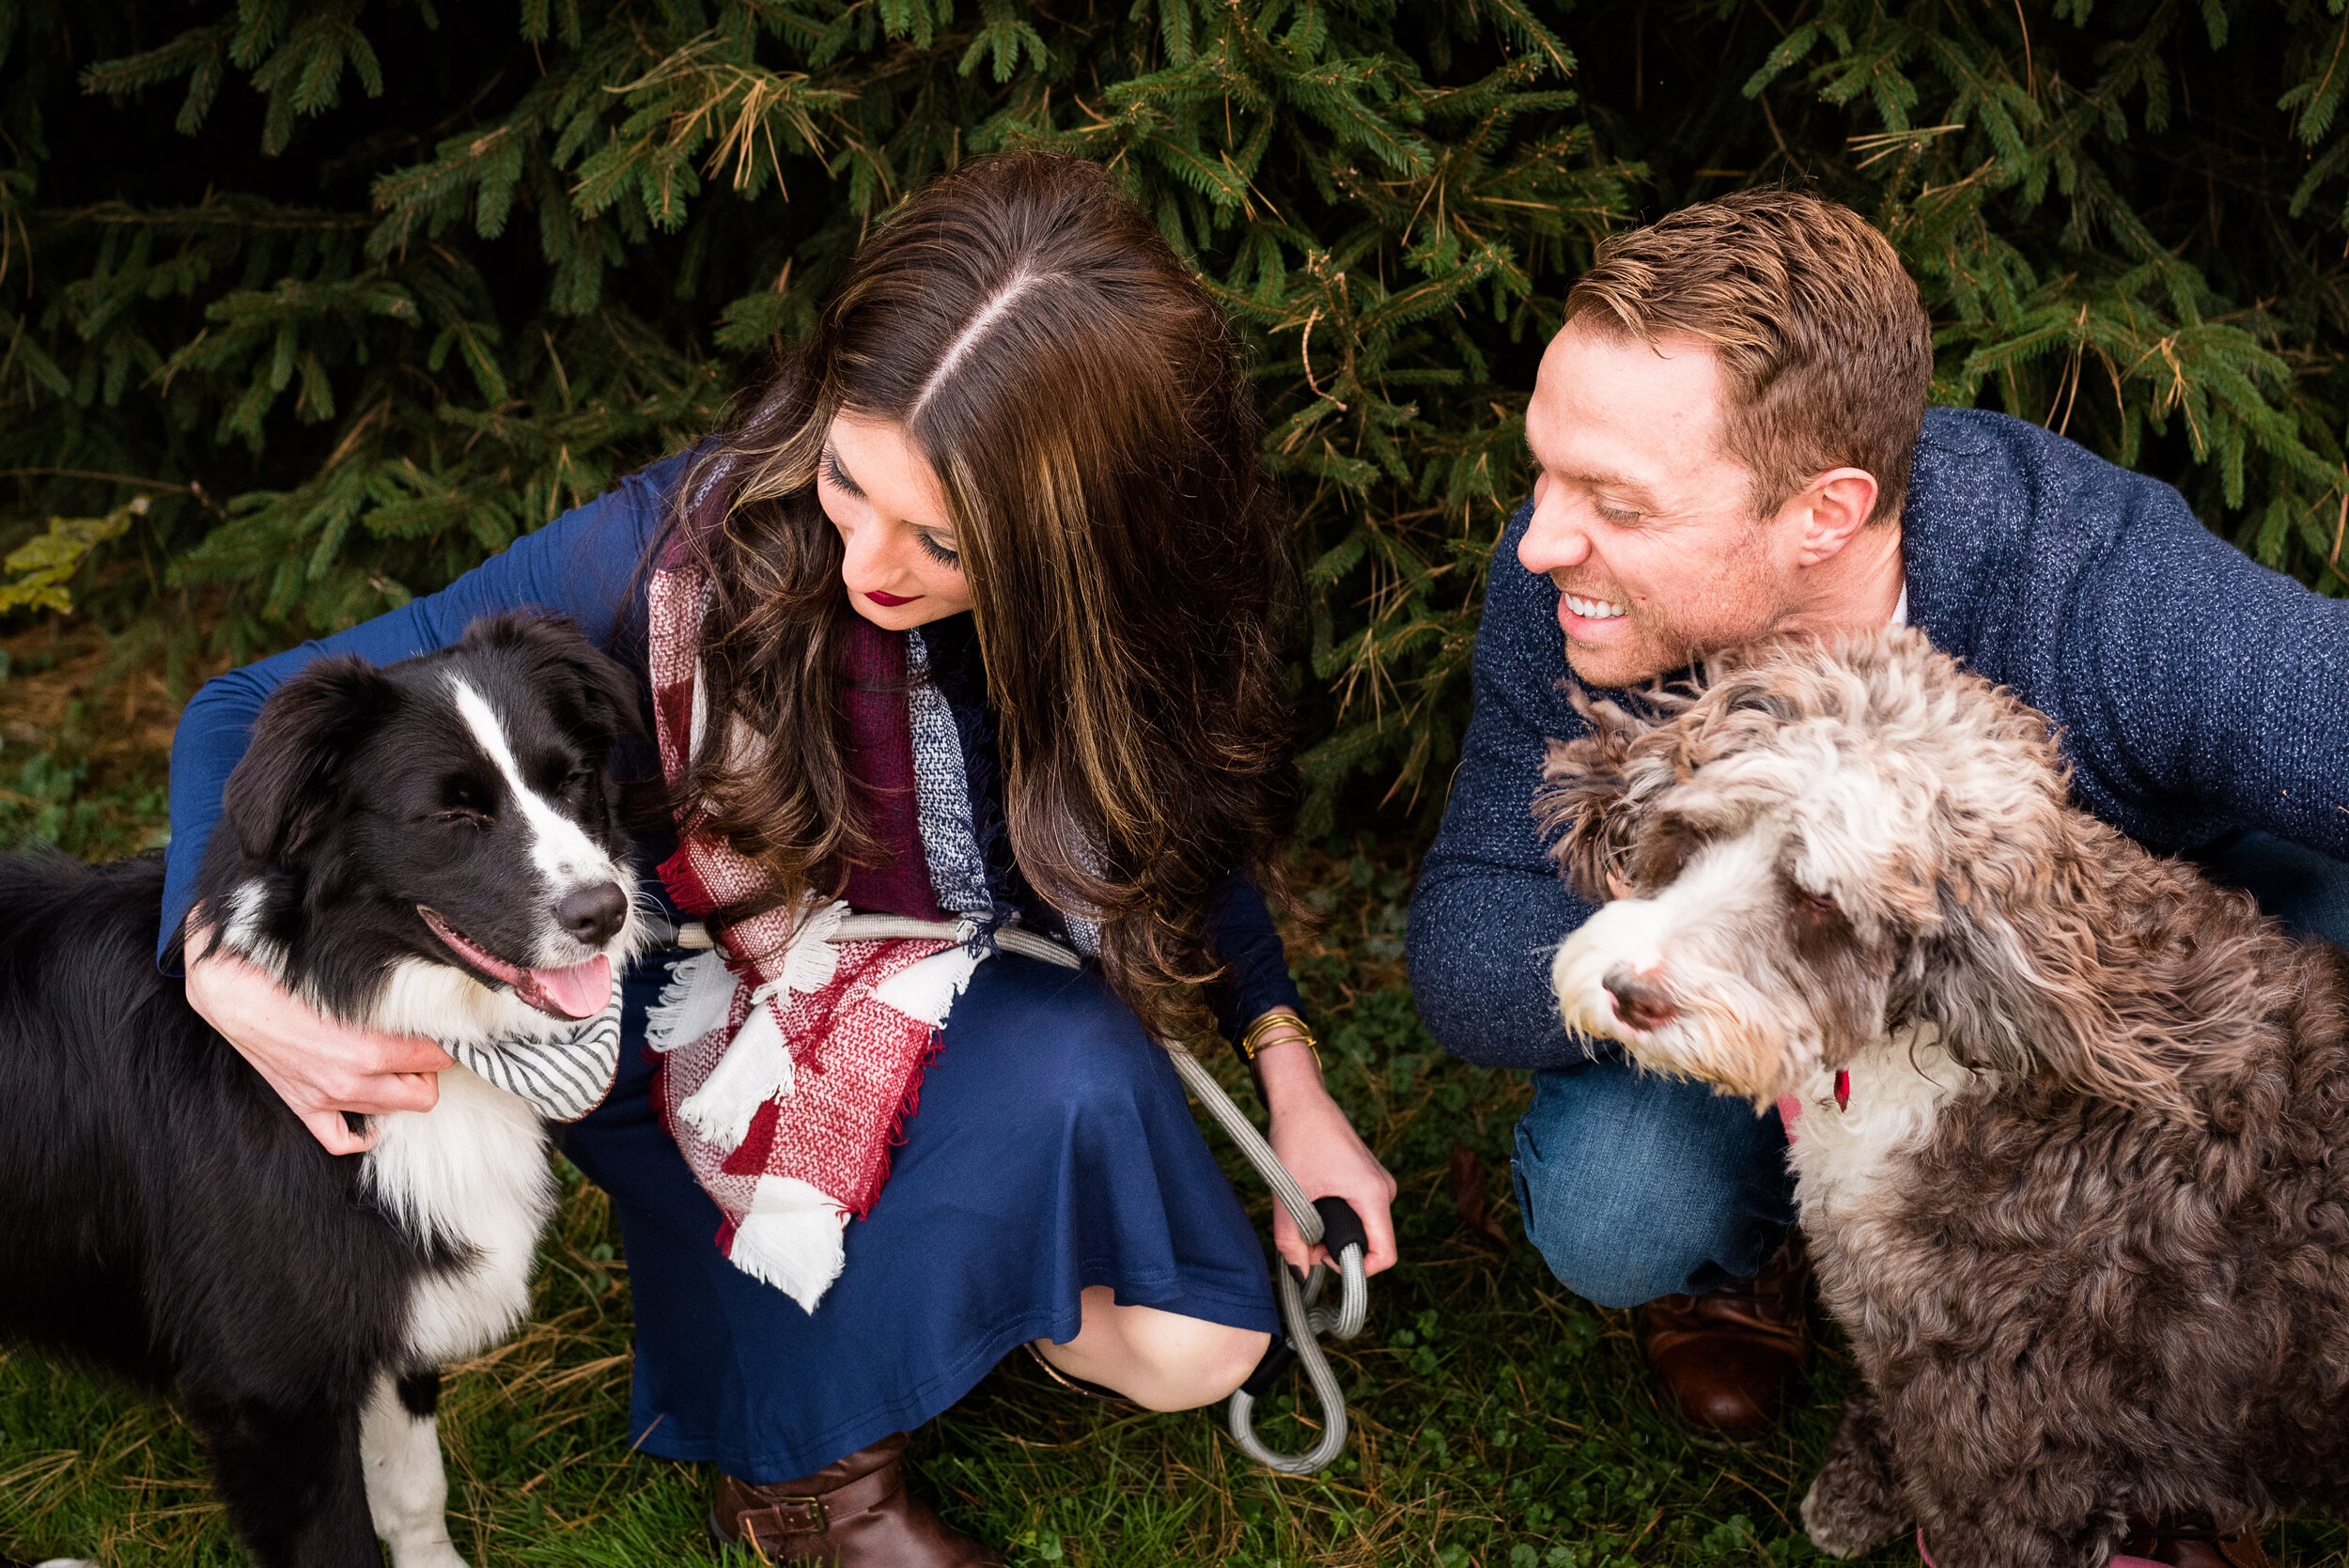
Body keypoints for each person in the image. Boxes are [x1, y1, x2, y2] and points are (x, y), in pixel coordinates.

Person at [163, 152, 1399, 1567]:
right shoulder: (670, 547)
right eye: (848, 480)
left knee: (1201, 1344)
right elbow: (233, 712)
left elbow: (1182, 837)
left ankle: (922, 1257)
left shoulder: (1120, 616)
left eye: (942, 538)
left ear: (1076, 534)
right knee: (1062, 1075)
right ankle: (801, 1462)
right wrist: (213, 972)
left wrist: (1291, 1077)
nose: (869, 558)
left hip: (918, 987)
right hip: (667, 1013)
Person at [1406, 189, 2349, 1461]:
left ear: (1826, 515)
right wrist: (1747, 902)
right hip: (1779, 1004)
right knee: (1617, 1205)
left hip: (2077, 996)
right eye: (1546, 469)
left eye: (1618, 502)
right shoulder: (1581, 592)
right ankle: (1772, 1258)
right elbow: (1469, 952)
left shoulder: (2092, 582)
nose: (1543, 539)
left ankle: (2150, 1321)